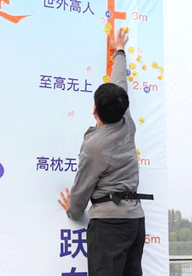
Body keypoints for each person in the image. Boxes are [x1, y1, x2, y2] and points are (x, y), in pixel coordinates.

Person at [58, 27, 152, 276]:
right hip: (135, 221)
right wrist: (119, 51)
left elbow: (83, 185)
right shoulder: (125, 120)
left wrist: (73, 210)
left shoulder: (95, 145)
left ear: (94, 110)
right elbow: (119, 83)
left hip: (110, 225)